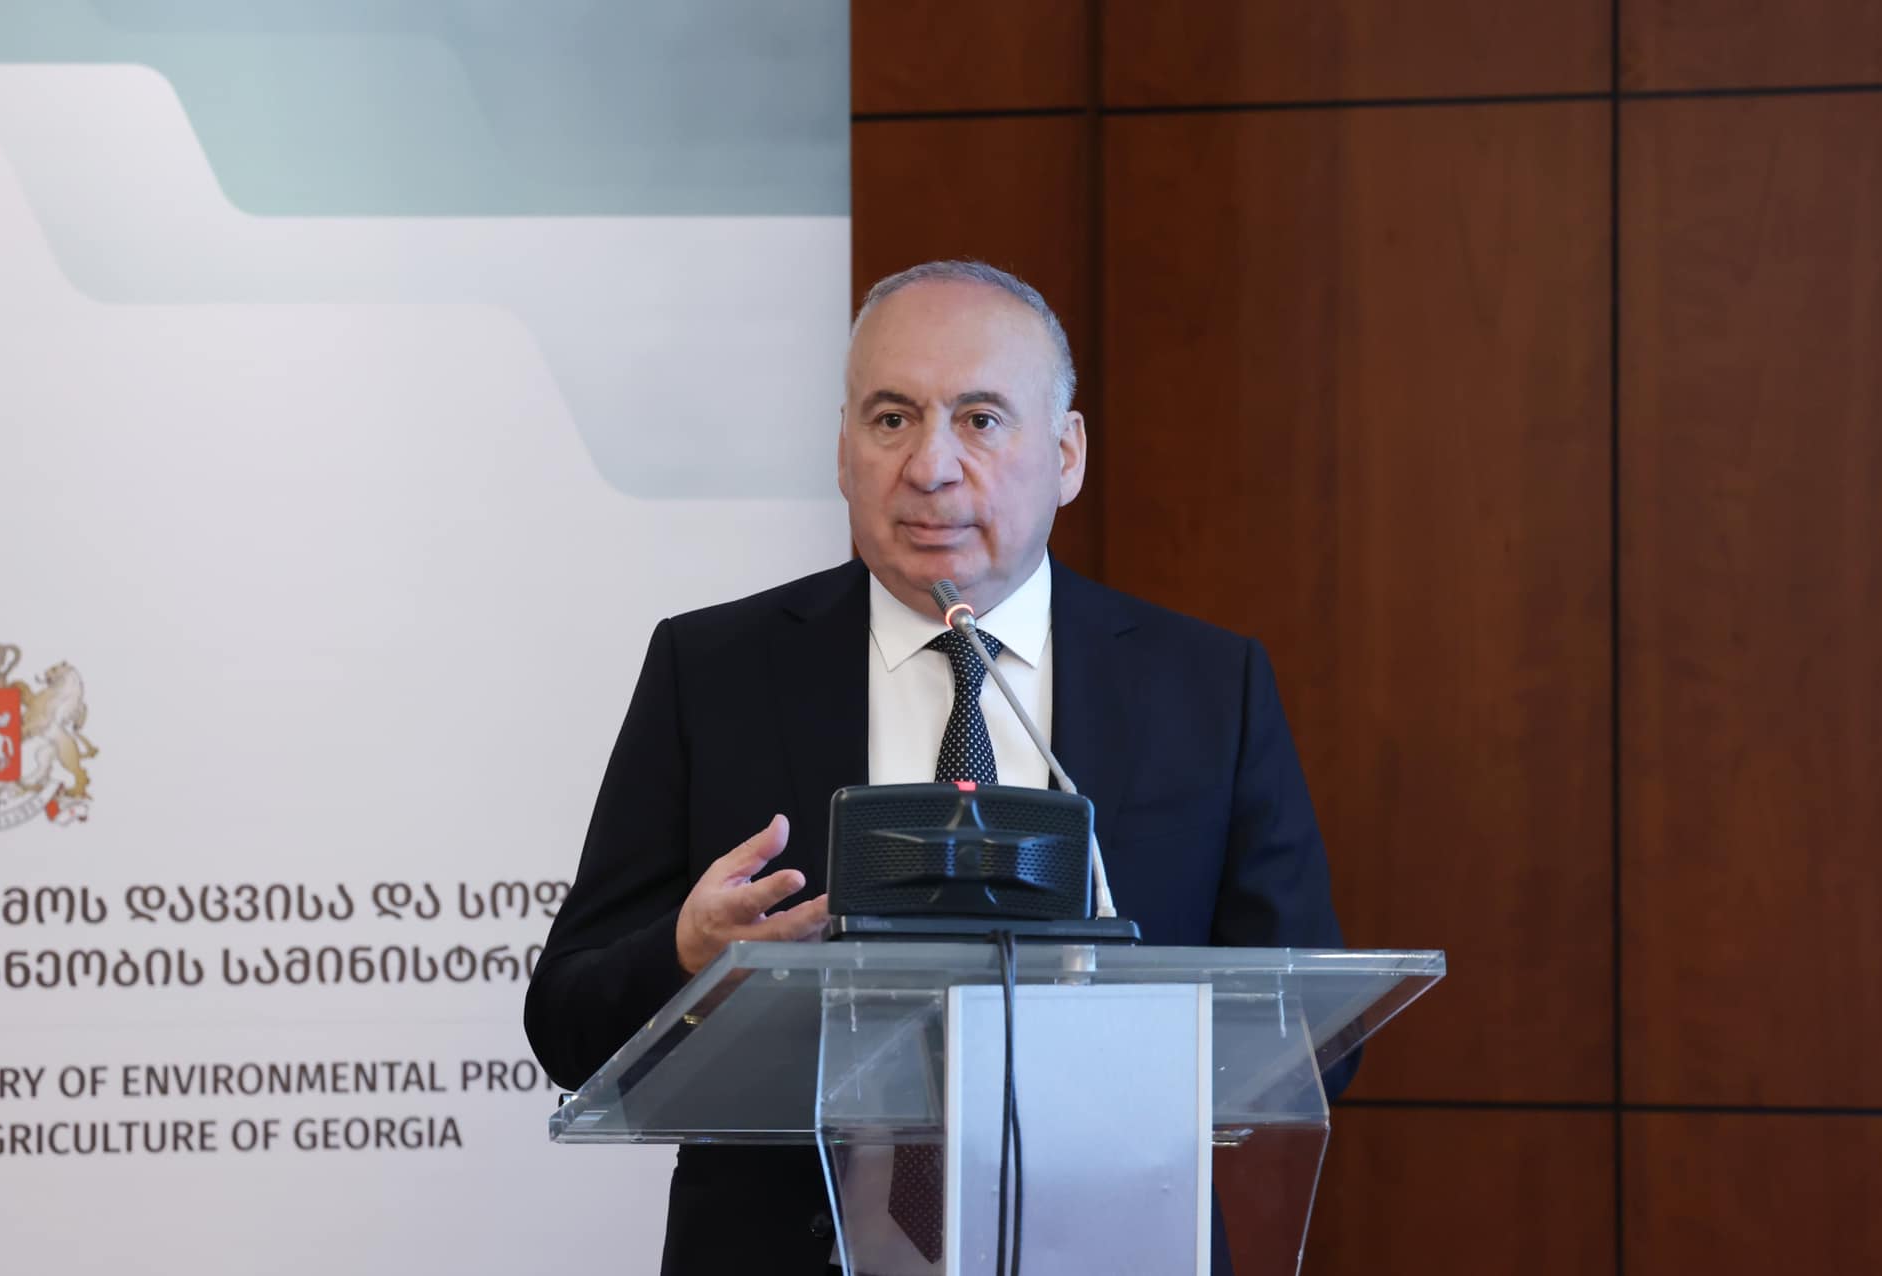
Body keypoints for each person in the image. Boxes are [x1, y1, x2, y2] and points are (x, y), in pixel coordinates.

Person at [526, 260, 1349, 1274]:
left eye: (980, 419)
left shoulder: (1206, 687)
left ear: (1066, 454)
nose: (930, 466)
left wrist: (1119, 1042)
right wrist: (687, 956)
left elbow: (1318, 1043)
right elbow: (566, 1021)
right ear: (842, 451)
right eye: (891, 419)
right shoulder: (714, 673)